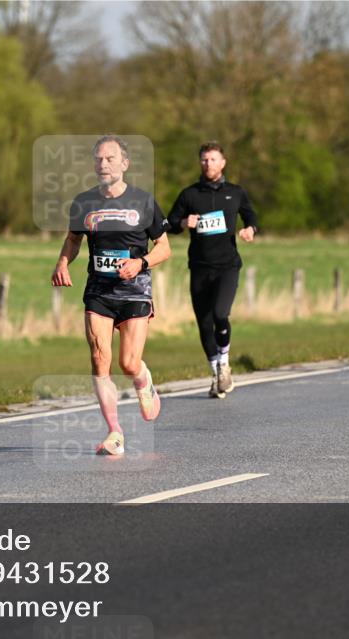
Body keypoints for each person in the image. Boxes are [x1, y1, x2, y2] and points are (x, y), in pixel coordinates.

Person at [51, 135, 171, 456]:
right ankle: (114, 432)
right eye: (98, 159)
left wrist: (140, 263)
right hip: (99, 290)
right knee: (99, 357)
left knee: (128, 363)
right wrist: (62, 262)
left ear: (125, 164)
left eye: (110, 158)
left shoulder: (144, 202)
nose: (103, 164)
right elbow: (73, 240)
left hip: (135, 291)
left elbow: (164, 248)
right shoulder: (84, 202)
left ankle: (142, 379)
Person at [166, 142, 258, 398]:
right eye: (204, 160)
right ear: (200, 163)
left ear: (223, 163)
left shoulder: (235, 192)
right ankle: (217, 375)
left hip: (227, 266)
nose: (208, 164)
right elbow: (168, 223)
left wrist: (250, 229)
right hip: (199, 267)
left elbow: (251, 216)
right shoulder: (190, 195)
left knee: (220, 314)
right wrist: (183, 222)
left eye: (213, 159)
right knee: (204, 323)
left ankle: (224, 364)